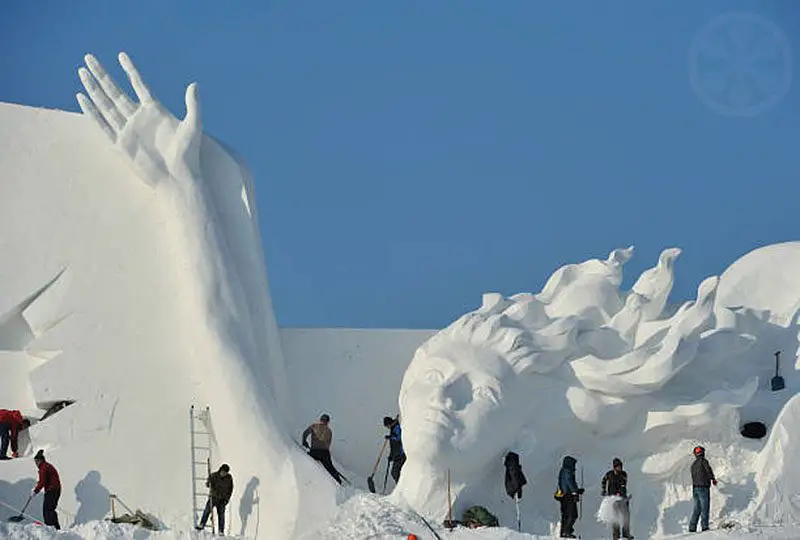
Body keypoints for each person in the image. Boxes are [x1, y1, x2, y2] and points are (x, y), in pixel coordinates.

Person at [301, 413, 342, 484]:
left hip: (314, 452)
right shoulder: (329, 431)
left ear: (320, 420)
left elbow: (305, 433)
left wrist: (304, 442)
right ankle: (337, 479)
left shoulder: (314, 426)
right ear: (328, 422)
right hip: (325, 453)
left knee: (307, 458)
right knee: (330, 468)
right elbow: (328, 444)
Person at [196, 464, 233, 534]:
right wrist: (209, 482)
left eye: (226, 473)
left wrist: (226, 499)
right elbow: (207, 484)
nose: (224, 474)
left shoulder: (229, 478)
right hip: (213, 498)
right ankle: (202, 524)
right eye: (223, 472)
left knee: (221, 516)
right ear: (220, 470)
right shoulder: (214, 476)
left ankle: (221, 531)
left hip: (222, 500)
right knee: (207, 511)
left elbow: (230, 489)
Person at [601, 457, 632, 540]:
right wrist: (604, 489)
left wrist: (620, 494)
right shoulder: (609, 474)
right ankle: (616, 536)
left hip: (622, 499)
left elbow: (623, 485)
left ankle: (626, 534)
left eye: (621, 466)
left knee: (626, 517)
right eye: (618, 467)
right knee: (615, 518)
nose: (620, 468)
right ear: (614, 467)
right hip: (613, 500)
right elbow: (603, 480)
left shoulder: (624, 474)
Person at [689, 445, 717, 533]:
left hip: (695, 488)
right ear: (703, 453)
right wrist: (713, 479)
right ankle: (704, 527)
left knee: (697, 509)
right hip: (703, 488)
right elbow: (708, 470)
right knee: (705, 508)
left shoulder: (693, 465)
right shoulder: (703, 461)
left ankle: (692, 527)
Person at [32, 449, 61, 529]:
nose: (36, 464)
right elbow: (44, 480)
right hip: (55, 490)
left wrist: (35, 491)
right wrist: (37, 486)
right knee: (50, 509)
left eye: (36, 461)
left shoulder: (43, 467)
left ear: (40, 460)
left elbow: (43, 481)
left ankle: (50, 527)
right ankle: (56, 527)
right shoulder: (46, 466)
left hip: (52, 490)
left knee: (47, 510)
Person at [557, 455, 584, 538]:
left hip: (564, 496)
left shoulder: (563, 471)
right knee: (572, 515)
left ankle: (564, 531)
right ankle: (567, 531)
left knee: (565, 515)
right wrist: (576, 492)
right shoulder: (567, 472)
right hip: (568, 496)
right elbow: (570, 483)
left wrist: (577, 490)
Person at [383, 416, 406, 483]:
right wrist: (391, 456)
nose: (387, 427)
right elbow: (393, 446)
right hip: (396, 456)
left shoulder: (397, 427)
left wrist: (391, 437)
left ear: (389, 423)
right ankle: (400, 486)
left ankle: (401, 486)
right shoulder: (393, 428)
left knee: (395, 473)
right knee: (394, 473)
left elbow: (399, 438)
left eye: (387, 426)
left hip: (401, 455)